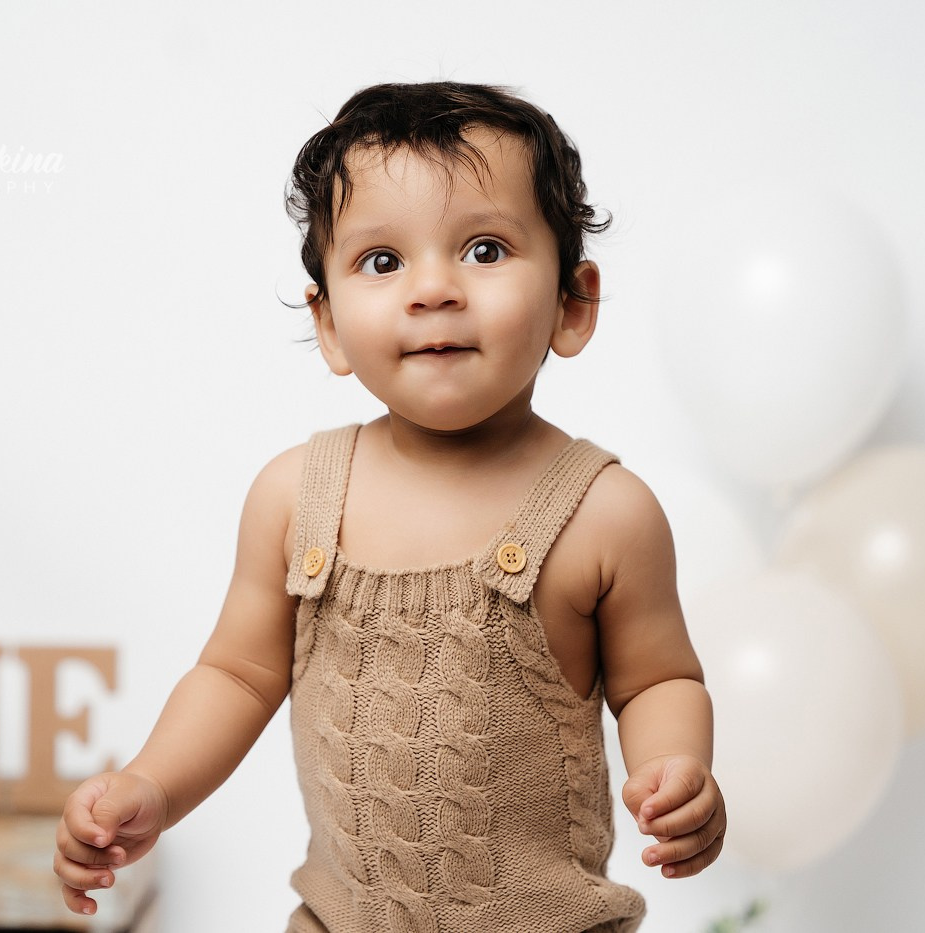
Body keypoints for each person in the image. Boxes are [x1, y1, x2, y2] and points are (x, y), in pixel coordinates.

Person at [53, 81, 725, 932]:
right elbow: (235, 673)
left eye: (484, 250)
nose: (433, 289)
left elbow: (658, 677)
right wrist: (150, 784)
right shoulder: (295, 497)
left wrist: (676, 766)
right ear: (328, 322)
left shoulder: (604, 512)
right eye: (383, 261)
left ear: (572, 301)